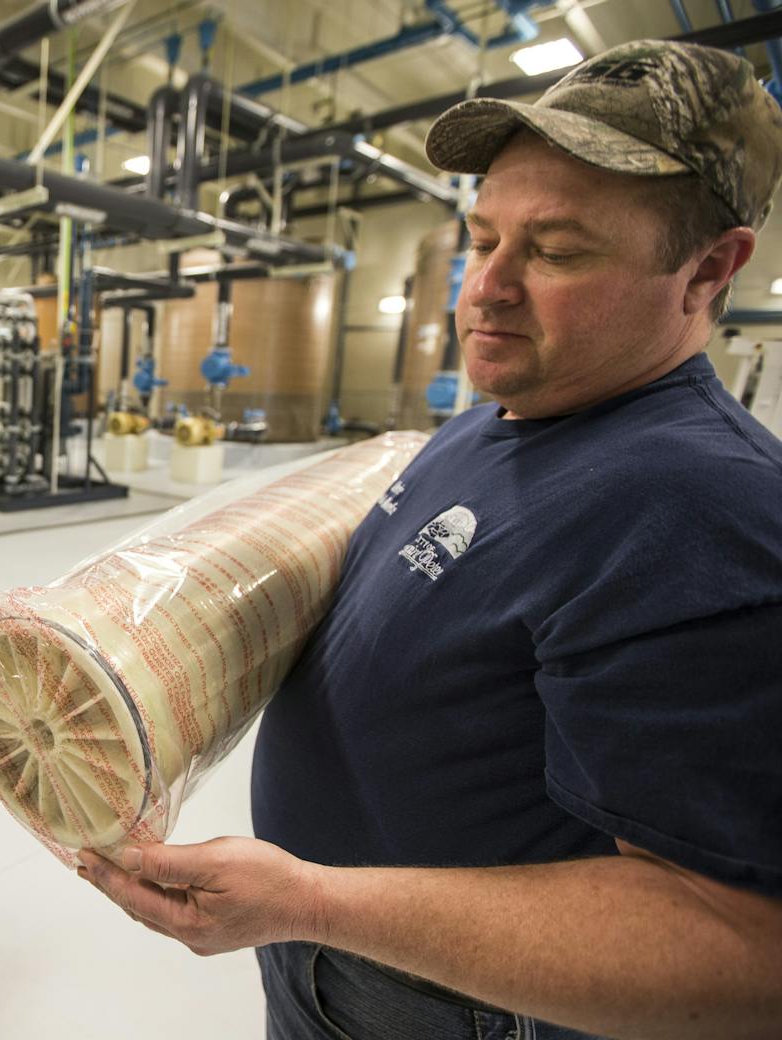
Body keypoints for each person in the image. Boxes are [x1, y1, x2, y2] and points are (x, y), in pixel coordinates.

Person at [76, 39, 782, 1040]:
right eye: (480, 236)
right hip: (333, 966)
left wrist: (307, 901)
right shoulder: (504, 410)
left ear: (707, 269)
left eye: (554, 250)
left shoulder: (700, 510)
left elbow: (743, 948)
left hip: (439, 1006)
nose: (483, 288)